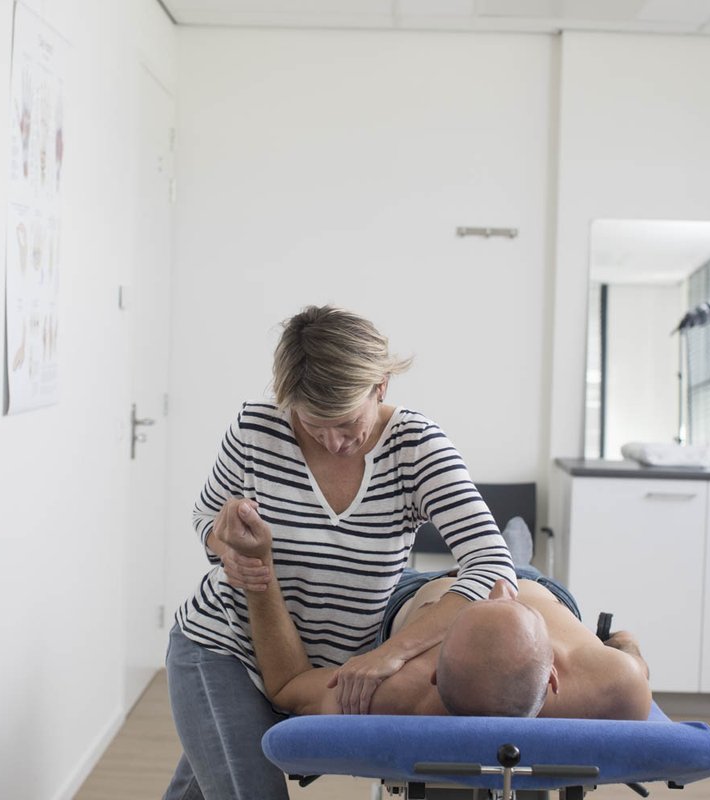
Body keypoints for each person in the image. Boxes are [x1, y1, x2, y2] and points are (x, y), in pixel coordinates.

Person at [164, 305, 517, 800]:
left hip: (317, 666)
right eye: (313, 425)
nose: (333, 442)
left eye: (347, 423)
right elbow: (204, 517)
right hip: (224, 647)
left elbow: (492, 563)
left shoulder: (416, 448)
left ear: (381, 387)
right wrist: (224, 546)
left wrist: (390, 654)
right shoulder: (256, 429)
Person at [220, 500, 653, 721]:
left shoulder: (396, 688)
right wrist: (624, 642)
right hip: (539, 588)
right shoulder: (617, 684)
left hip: (424, 593)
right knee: (517, 567)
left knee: (419, 572)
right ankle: (512, 553)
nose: (495, 587)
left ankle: (494, 555)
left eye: (489, 598)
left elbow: (286, 686)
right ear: (554, 674)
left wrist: (259, 565)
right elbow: (633, 657)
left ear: (431, 669)